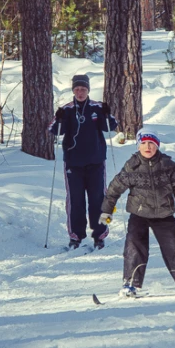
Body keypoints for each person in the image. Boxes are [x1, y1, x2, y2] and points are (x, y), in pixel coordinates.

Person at [99, 129, 175, 296]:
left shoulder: (167, 165)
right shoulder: (132, 166)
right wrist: (107, 211)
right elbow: (114, 189)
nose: (148, 147)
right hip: (138, 213)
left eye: (152, 144)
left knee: (174, 248)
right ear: (139, 146)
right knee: (134, 248)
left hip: (164, 214)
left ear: (157, 146)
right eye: (144, 143)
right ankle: (130, 284)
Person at [49, 74, 118, 249]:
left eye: (83, 89)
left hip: (96, 162)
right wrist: (59, 119)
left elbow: (111, 126)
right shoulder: (67, 109)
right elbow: (55, 131)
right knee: (75, 200)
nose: (80, 92)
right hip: (73, 163)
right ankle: (76, 236)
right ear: (73, 90)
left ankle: (99, 235)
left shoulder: (97, 107)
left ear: (88, 90)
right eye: (77, 89)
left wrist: (107, 114)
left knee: (97, 199)